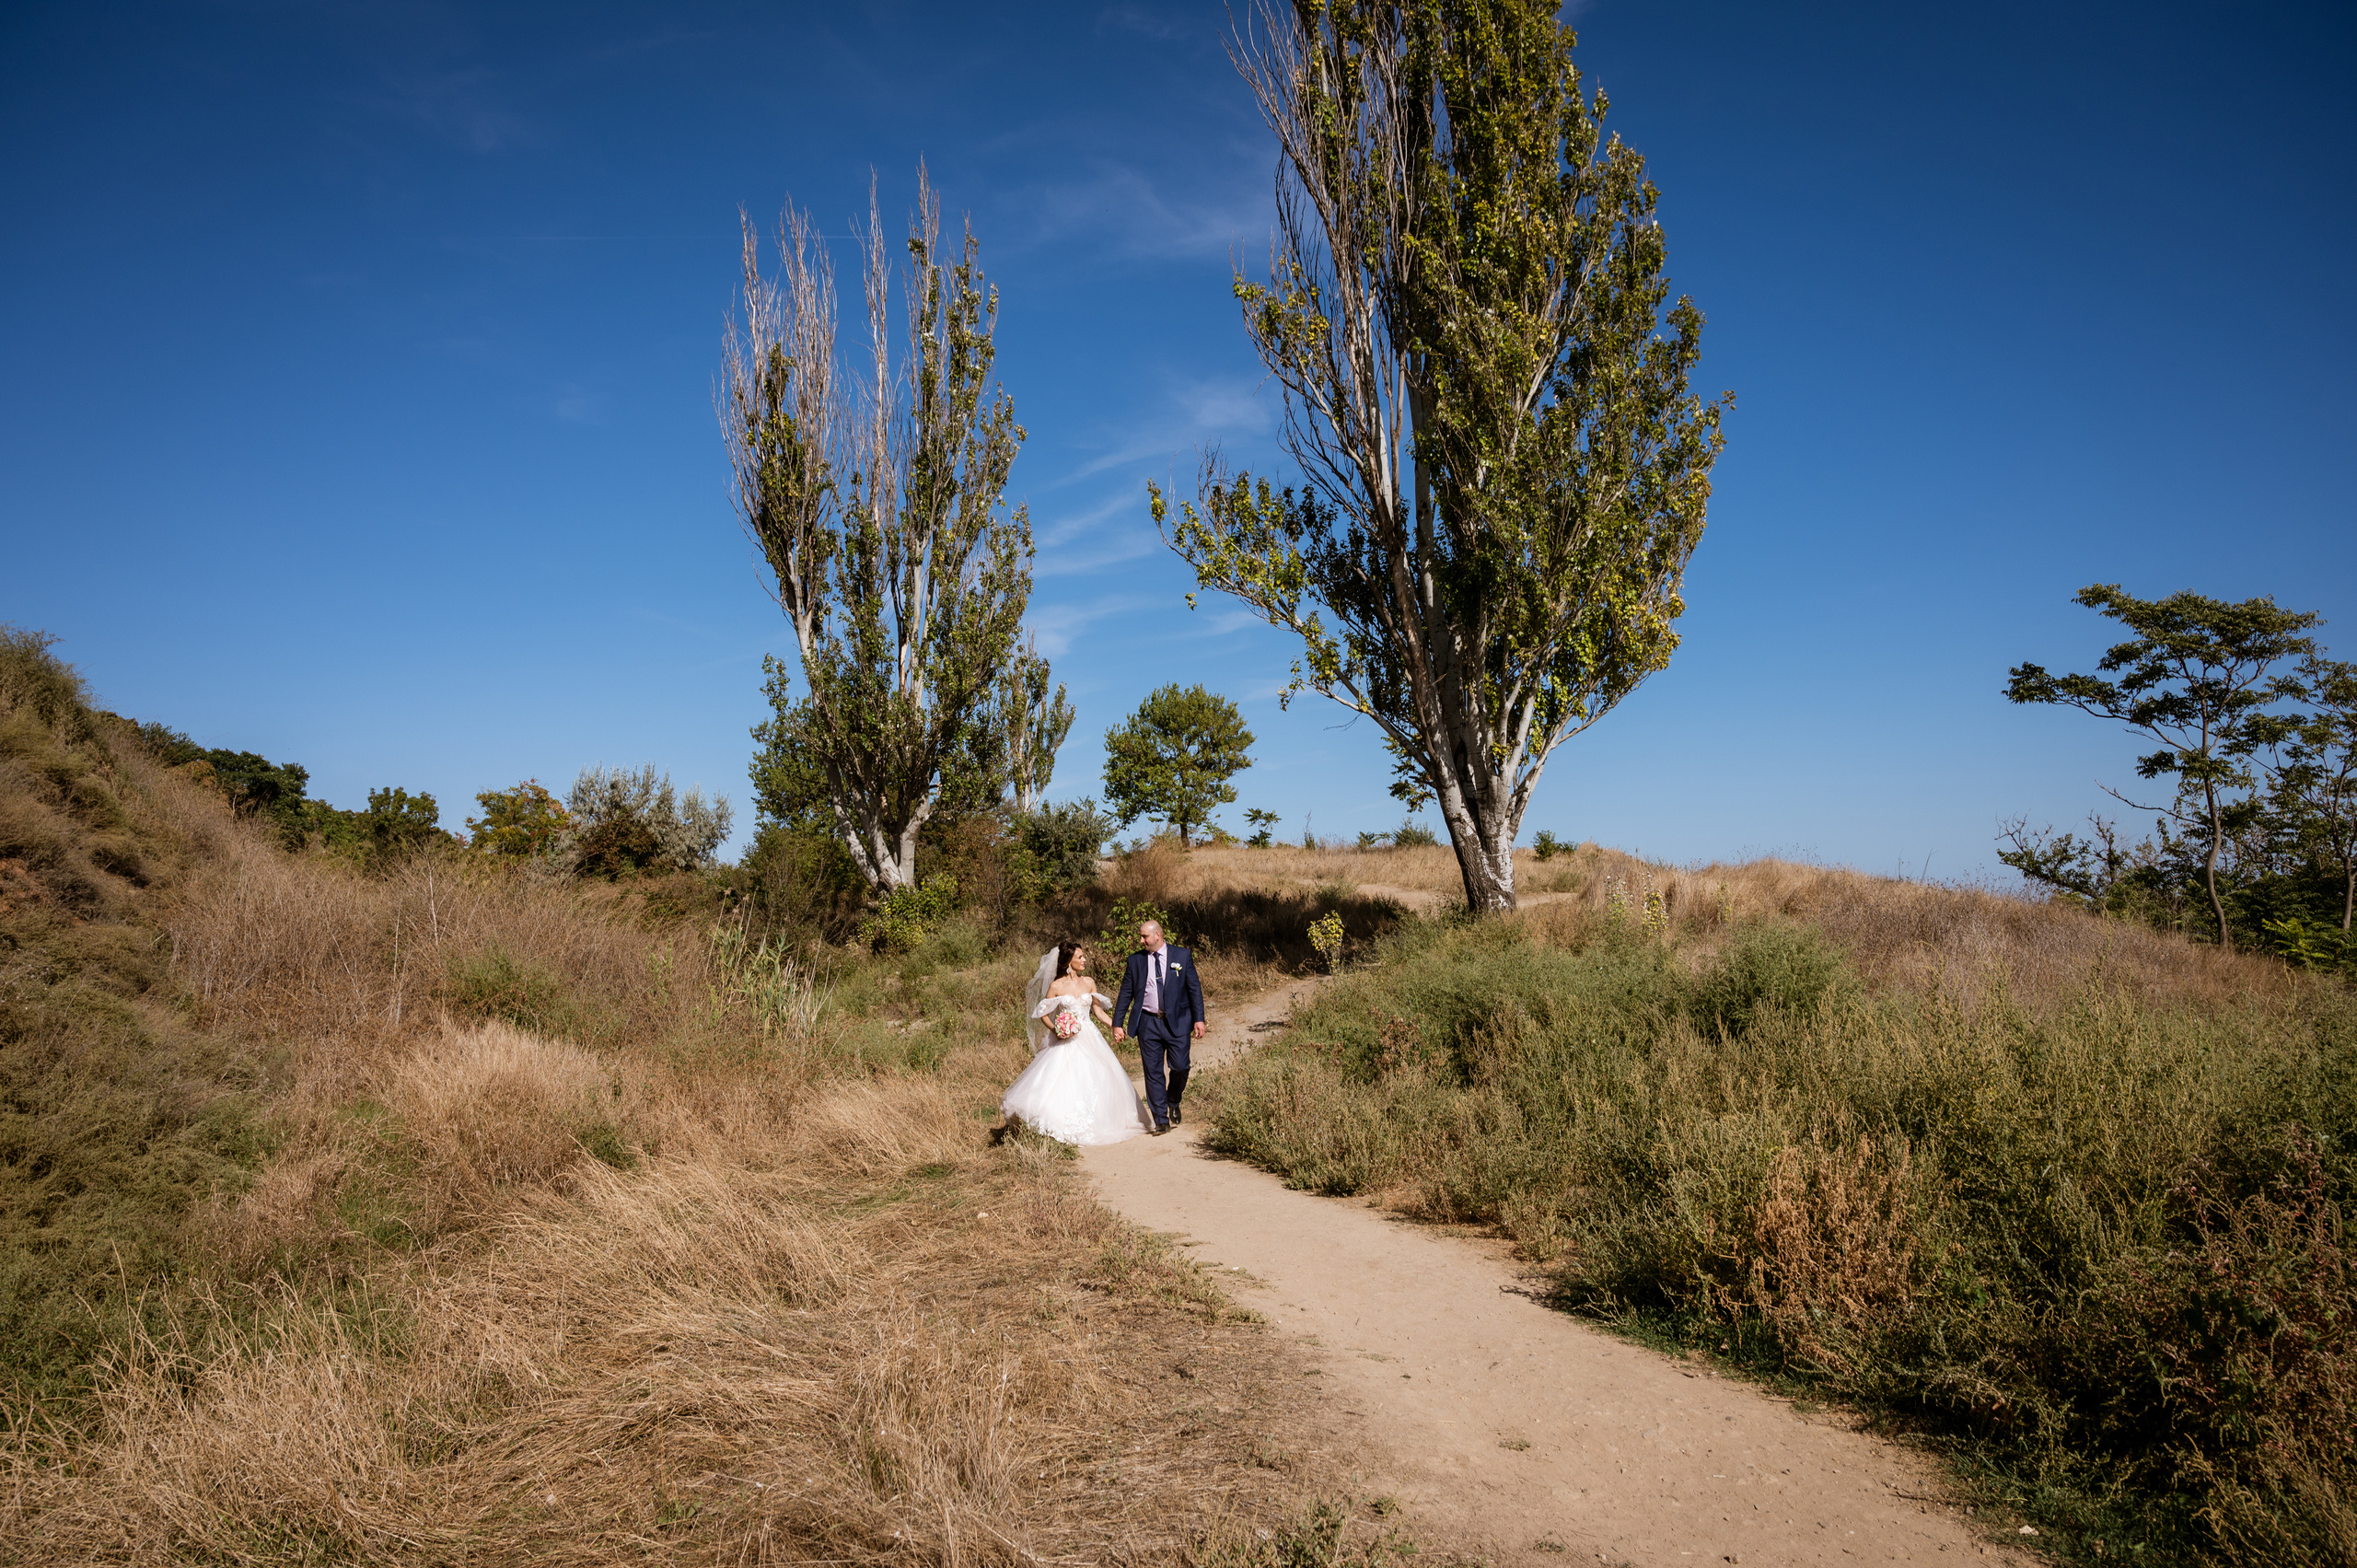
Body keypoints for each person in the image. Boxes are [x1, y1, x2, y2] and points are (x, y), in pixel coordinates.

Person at [1000, 940, 1152, 1145]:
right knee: (1063, 1079)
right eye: (1080, 957)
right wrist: (1057, 1030)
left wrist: (1115, 1026)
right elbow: (1044, 1014)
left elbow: (1097, 1011)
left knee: (1101, 1074)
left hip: (1090, 1035)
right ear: (1068, 962)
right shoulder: (1056, 986)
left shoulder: (1088, 982)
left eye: (1083, 956)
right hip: (1066, 1039)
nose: (1084, 959)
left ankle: (1101, 1119)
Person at [1109, 919, 1205, 1134]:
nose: (1141, 940)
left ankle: (1173, 1100)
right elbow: (1126, 993)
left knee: (1181, 1066)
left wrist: (1199, 1018)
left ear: (1158, 936)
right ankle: (1161, 1119)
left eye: (1144, 936)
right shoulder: (1135, 961)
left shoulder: (1182, 956)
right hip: (1148, 1022)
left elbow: (1194, 989)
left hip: (1178, 1020)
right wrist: (1118, 1023)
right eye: (1141, 936)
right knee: (1152, 1072)